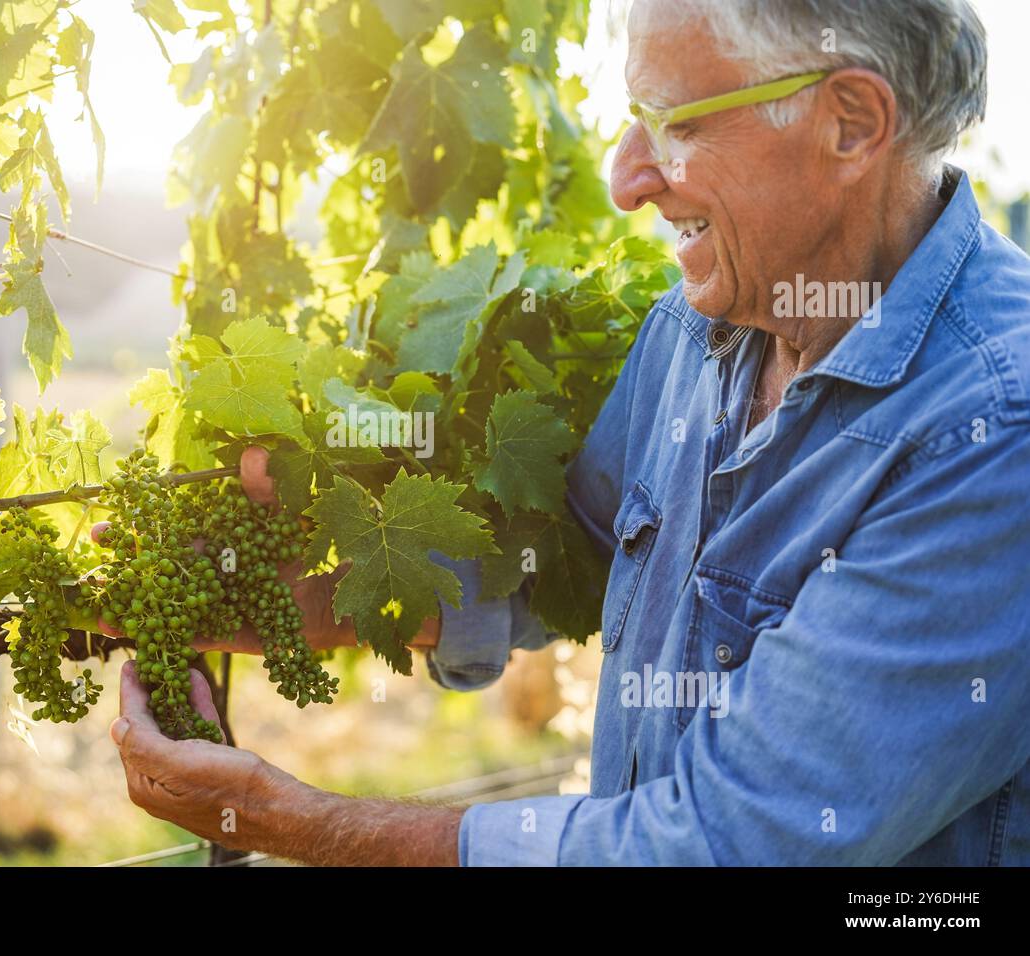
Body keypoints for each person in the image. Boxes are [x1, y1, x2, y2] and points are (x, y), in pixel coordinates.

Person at [106, 0, 1030, 866]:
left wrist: (286, 819)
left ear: (852, 124)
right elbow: (571, 564)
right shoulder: (699, 330)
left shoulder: (991, 437)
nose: (628, 179)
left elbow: (721, 844)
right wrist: (307, 600)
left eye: (678, 121)